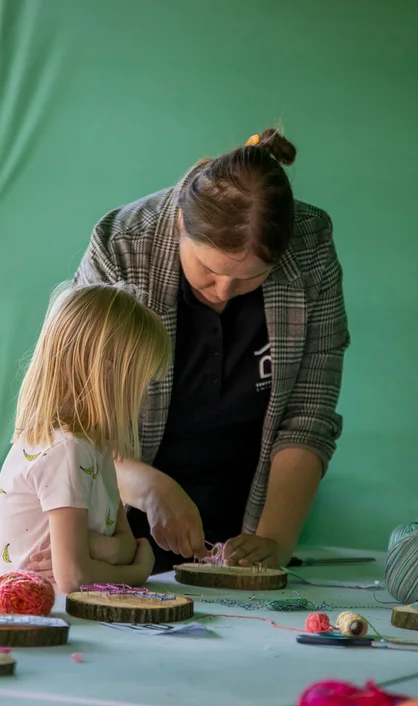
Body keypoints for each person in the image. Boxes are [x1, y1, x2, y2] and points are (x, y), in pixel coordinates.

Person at [73, 128, 350, 573]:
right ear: (181, 223)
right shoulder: (121, 247)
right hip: (121, 530)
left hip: (246, 514)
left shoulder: (310, 247)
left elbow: (309, 411)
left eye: (249, 278)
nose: (223, 291)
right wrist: (148, 487)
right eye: (209, 268)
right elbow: (76, 417)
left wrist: (272, 543)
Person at [0, 282, 169, 593]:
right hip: (37, 623)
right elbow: (74, 577)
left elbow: (123, 543)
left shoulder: (95, 448)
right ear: (108, 375)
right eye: (141, 383)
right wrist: (138, 571)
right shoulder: (65, 450)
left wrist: (105, 549)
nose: (146, 398)